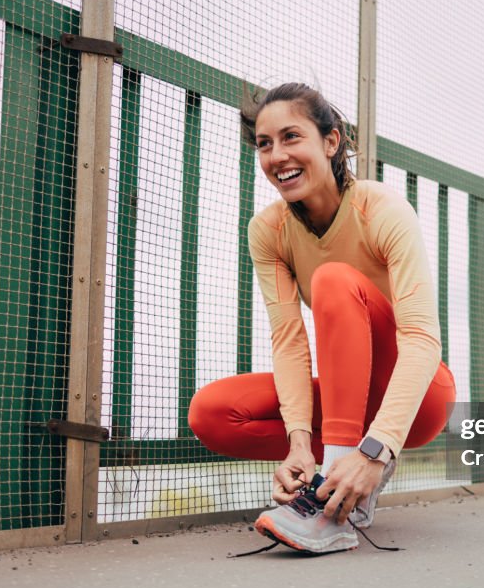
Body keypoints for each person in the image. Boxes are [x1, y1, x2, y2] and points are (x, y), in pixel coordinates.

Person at [188, 82, 456, 554]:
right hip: (347, 402)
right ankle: (333, 475)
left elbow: (420, 338)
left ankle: (332, 509)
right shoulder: (268, 231)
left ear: (330, 143)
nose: (276, 156)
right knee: (213, 413)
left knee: (334, 280)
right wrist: (296, 444)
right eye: (264, 144)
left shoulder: (380, 208)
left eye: (291, 137)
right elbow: (290, 341)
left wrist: (377, 449)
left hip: (418, 396)